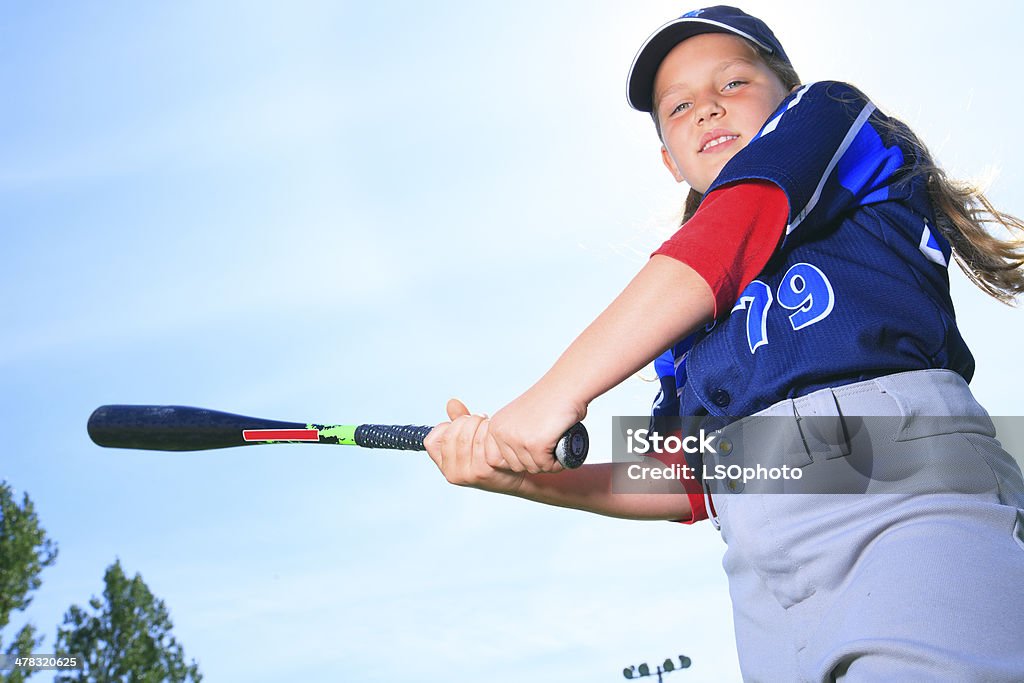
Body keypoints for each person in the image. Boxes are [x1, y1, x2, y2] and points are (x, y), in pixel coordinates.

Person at [424, 6, 1024, 681]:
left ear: (787, 96)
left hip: (901, 496)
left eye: (733, 84)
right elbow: (690, 478)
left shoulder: (829, 115)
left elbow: (739, 222)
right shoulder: (679, 321)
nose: (707, 109)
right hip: (763, 581)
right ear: (668, 159)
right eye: (679, 107)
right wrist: (522, 476)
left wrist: (551, 395)